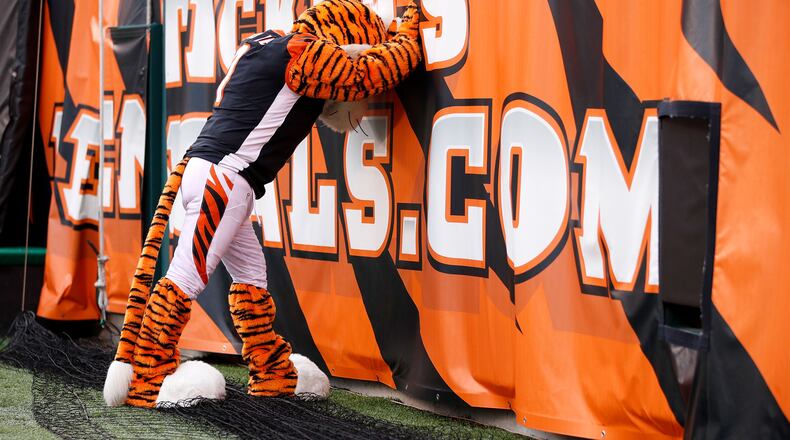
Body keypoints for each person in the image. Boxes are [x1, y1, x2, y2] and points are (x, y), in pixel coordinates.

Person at [103, 0, 423, 408]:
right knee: (186, 278)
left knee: (251, 277)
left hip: (210, 170)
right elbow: (371, 72)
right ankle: (148, 373)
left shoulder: (262, 42)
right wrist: (408, 33)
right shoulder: (303, 52)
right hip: (226, 178)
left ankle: (269, 368)